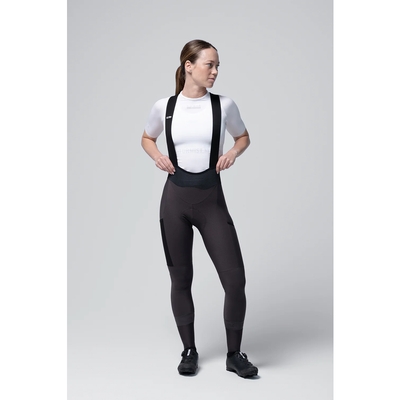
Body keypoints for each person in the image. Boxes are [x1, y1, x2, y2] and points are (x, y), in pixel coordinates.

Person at [141, 39, 258, 378]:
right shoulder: (165, 107)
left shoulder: (224, 106)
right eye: (210, 64)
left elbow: (243, 137)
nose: (215, 71)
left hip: (211, 202)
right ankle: (189, 351)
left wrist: (233, 152)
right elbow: (147, 138)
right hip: (175, 202)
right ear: (189, 66)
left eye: (218, 65)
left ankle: (234, 355)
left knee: (235, 281)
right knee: (181, 279)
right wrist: (157, 156)